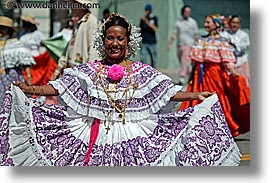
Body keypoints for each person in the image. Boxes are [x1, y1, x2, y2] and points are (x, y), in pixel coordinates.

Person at [0, 13, 241, 166]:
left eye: (120, 39)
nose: (115, 44)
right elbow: (59, 88)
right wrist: (29, 88)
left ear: (128, 42)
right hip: (91, 135)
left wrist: (196, 95)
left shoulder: (140, 70)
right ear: (103, 41)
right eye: (110, 38)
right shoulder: (89, 70)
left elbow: (166, 92)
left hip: (132, 134)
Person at [179, 14, 250, 137]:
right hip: (199, 75)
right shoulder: (202, 39)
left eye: (208, 22)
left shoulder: (221, 41)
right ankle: (197, 128)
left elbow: (227, 60)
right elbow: (195, 61)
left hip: (215, 75)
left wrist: (234, 73)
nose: (206, 25)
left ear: (216, 24)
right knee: (197, 99)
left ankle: (221, 126)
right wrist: (190, 77)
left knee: (217, 99)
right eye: (205, 22)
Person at [51, 0, 100, 80]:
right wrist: (59, 68)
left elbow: (94, 50)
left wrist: (89, 73)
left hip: (81, 73)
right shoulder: (79, 21)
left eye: (73, 3)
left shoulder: (91, 22)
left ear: (81, 6)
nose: (70, 6)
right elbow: (69, 47)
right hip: (71, 70)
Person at [0, 16, 35, 105]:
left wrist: (29, 76)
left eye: (3, 28)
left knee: (13, 101)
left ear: (8, 30)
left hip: (11, 77)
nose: (0, 30)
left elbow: (25, 60)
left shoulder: (15, 43)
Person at [167, 5, 199, 85]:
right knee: (182, 62)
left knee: (184, 61)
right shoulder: (178, 23)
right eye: (186, 11)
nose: (187, 13)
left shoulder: (193, 22)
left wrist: (197, 44)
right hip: (180, 45)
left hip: (189, 44)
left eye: (189, 12)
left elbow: (196, 34)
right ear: (183, 12)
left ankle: (182, 77)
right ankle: (190, 74)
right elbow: (174, 34)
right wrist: (170, 44)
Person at [221, 15, 250, 87]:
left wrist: (235, 45)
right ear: (230, 23)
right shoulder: (225, 34)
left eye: (237, 23)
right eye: (233, 22)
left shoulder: (244, 34)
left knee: (243, 81)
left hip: (241, 61)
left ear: (239, 24)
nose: (235, 25)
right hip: (229, 62)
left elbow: (246, 46)